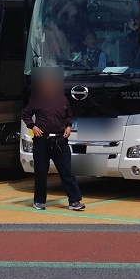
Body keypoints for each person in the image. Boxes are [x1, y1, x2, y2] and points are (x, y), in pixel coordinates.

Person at [22, 74, 84, 212]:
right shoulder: (37, 100)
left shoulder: (63, 100)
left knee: (67, 171)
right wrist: (33, 126)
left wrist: (68, 126)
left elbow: (68, 115)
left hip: (60, 140)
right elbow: (25, 114)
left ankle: (74, 201)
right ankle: (39, 201)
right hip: (42, 140)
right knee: (41, 172)